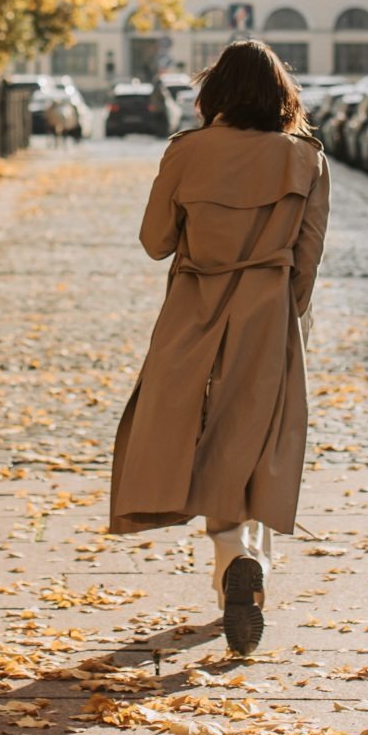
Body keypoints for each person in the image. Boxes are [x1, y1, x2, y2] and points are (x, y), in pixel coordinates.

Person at [108, 38, 329, 656]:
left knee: (195, 435)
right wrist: (287, 313)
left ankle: (234, 557)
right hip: (269, 310)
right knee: (254, 437)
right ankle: (244, 557)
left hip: (193, 309)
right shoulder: (305, 159)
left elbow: (155, 241)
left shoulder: (187, 152)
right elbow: (308, 258)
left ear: (213, 95)